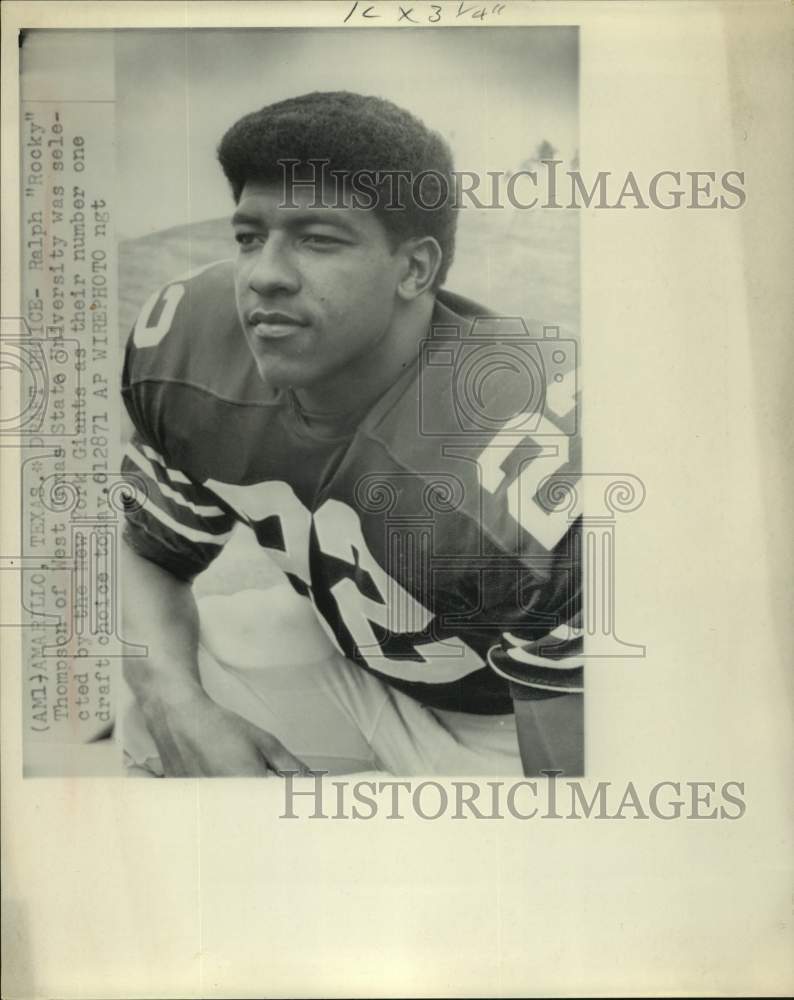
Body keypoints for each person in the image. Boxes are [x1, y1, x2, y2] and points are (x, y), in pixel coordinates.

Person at [120, 91, 583, 778]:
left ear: (414, 268)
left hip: (517, 729)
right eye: (250, 236)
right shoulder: (196, 337)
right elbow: (141, 554)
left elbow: (576, 810)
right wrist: (175, 703)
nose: (265, 275)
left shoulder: (523, 453)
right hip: (363, 669)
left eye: (317, 239)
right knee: (129, 696)